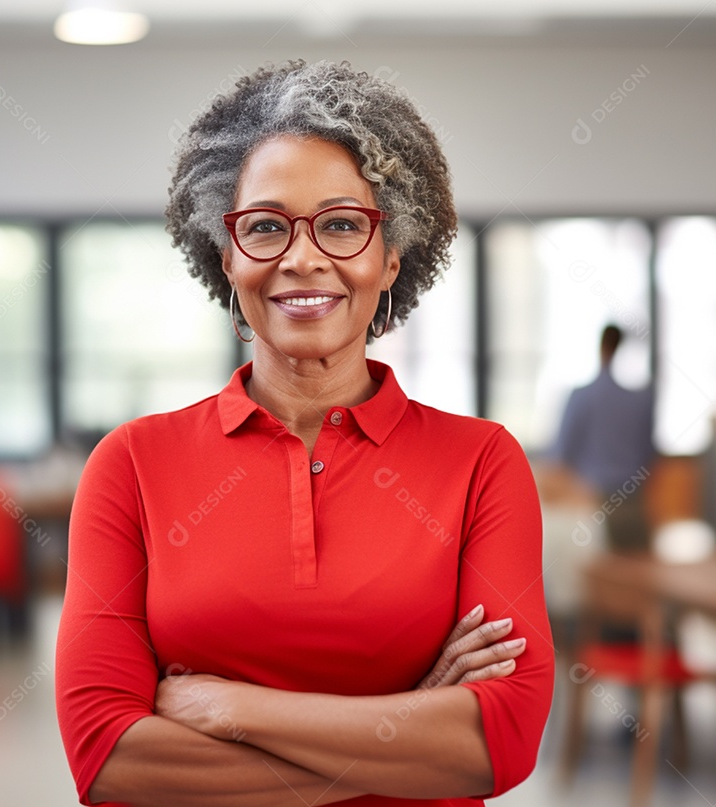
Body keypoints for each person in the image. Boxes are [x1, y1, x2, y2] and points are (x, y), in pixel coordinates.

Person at [55, 60, 553, 806]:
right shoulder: (129, 465)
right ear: (226, 258)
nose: (303, 256)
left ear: (392, 257)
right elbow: (108, 758)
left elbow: (499, 744)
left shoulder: (483, 463)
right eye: (264, 226)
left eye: (344, 223)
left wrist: (231, 709)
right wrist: (403, 727)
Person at [550, 324, 656, 553]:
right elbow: (649, 453)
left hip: (594, 506)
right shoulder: (642, 400)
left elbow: (561, 455)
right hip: (635, 503)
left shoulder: (582, 397)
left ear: (601, 348)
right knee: (638, 575)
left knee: (603, 580)